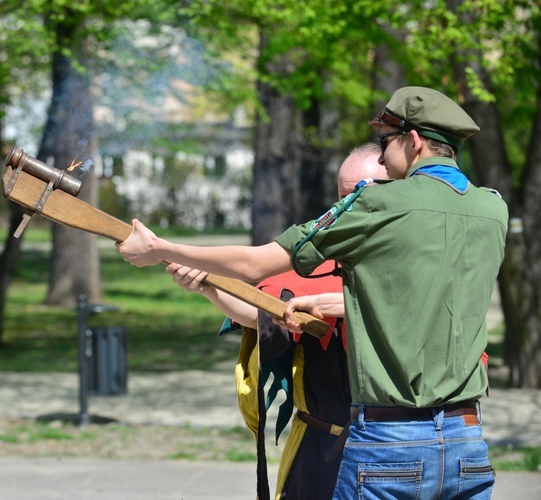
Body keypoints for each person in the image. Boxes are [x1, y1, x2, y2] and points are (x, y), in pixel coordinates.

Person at [117, 86, 508, 499]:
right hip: (467, 442)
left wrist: (160, 248)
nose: (382, 155)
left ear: (412, 141)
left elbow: (256, 264)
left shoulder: (379, 203)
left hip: (391, 441)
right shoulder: (493, 208)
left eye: (384, 142)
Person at [167, 143, 387, 500]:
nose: (348, 206)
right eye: (343, 194)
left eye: (362, 192)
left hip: (399, 450)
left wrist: (351, 305)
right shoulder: (318, 253)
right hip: (319, 448)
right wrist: (207, 285)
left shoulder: (425, 256)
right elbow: (264, 314)